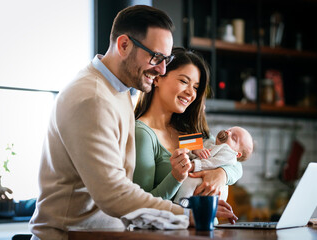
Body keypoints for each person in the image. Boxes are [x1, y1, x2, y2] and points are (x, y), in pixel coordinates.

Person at [29, 5, 237, 240]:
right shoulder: (93, 98)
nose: (161, 69)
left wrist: (221, 172)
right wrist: (187, 215)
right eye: (156, 57)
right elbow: (114, 194)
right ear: (124, 45)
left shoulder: (118, 91)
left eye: (166, 60)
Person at [133, 47, 243, 205]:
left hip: (207, 227)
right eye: (184, 81)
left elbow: (235, 162)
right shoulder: (143, 134)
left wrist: (222, 173)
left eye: (196, 87)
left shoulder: (189, 129)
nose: (191, 93)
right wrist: (176, 177)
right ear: (157, 78)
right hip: (174, 229)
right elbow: (141, 204)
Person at [173, 126, 254, 203]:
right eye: (229, 130)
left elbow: (211, 163)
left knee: (188, 186)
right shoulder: (211, 142)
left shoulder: (228, 154)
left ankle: (178, 208)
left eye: (234, 138)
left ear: (237, 154)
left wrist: (193, 165)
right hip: (196, 180)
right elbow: (183, 142)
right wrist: (194, 149)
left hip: (203, 184)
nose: (227, 133)